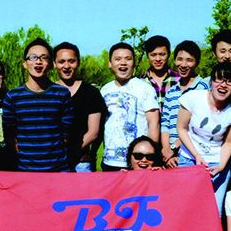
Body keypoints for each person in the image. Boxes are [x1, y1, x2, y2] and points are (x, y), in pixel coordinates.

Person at [176, 62, 231, 214]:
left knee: (213, 212)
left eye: (230, 82)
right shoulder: (193, 97)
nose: (223, 85)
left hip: (216, 164)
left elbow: (228, 142)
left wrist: (221, 166)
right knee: (186, 208)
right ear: (211, 81)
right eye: (219, 79)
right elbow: (181, 128)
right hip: (189, 159)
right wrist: (196, 155)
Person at [2, 37, 74, 172]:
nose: (38, 61)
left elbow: (66, 133)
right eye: (33, 57)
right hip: (26, 170)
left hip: (58, 169)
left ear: (51, 64)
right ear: (25, 64)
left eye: (43, 58)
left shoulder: (62, 94)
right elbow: (10, 135)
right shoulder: (12, 97)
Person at [101, 42, 159, 171]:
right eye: (117, 59)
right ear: (110, 63)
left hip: (138, 162)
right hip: (110, 161)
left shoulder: (145, 89)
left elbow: (154, 123)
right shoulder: (104, 90)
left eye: (128, 59)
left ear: (134, 63)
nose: (123, 63)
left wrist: (151, 157)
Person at [54, 42, 107, 172]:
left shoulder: (91, 92)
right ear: (54, 64)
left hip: (81, 162)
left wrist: (70, 153)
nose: (66, 66)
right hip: (52, 161)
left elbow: (93, 132)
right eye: (61, 62)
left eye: (71, 61)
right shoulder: (49, 92)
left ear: (78, 62)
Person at [160, 40, 209, 168]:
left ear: (197, 62)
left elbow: (198, 126)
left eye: (189, 60)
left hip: (191, 153)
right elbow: (165, 123)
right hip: (170, 156)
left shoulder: (203, 89)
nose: (183, 64)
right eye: (179, 59)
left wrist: (174, 148)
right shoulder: (171, 91)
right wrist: (166, 148)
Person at [139, 35, 179, 111]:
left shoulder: (179, 80)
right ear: (147, 55)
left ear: (169, 54)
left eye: (162, 54)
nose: (158, 59)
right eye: (153, 55)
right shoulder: (140, 81)